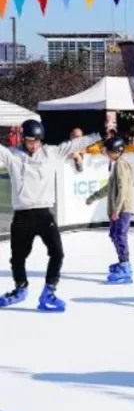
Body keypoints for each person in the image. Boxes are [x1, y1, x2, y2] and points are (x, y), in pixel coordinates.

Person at [0, 120, 103, 311]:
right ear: (23, 139)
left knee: (57, 253)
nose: (33, 145)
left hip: (44, 214)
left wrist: (98, 134)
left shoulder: (51, 153)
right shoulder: (13, 156)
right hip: (22, 215)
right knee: (17, 258)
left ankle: (48, 292)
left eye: (37, 141)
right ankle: (20, 288)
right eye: (30, 141)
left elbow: (74, 144)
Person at [85, 136, 134, 284]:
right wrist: (94, 196)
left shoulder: (121, 165)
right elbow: (110, 187)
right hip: (119, 208)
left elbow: (123, 189)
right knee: (114, 234)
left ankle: (125, 267)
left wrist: (116, 210)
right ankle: (123, 261)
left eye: (108, 151)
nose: (106, 154)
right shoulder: (117, 164)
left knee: (119, 235)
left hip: (122, 208)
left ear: (116, 151)